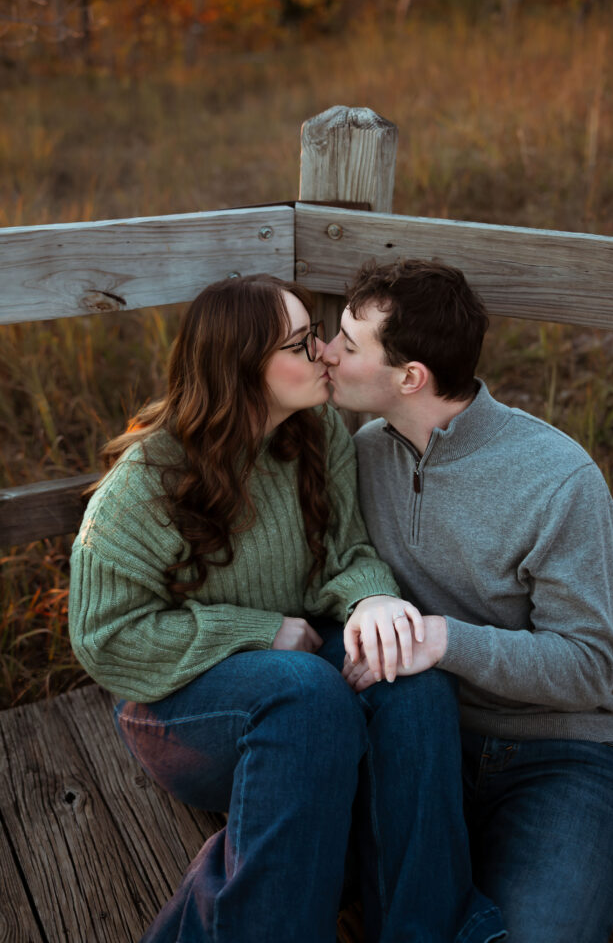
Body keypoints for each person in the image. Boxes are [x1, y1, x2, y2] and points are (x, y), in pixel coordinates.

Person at [68, 273, 505, 943]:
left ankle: (425, 929)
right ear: (242, 368)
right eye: (302, 344)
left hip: (298, 679)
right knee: (305, 694)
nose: (324, 354)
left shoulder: (316, 431)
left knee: (407, 669)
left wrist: (374, 598)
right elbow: (104, 638)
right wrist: (260, 631)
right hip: (179, 708)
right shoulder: (149, 483)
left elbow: (345, 553)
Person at [323, 258, 613, 943]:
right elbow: (340, 566)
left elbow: (586, 669)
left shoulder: (556, 480)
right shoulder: (365, 449)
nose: (327, 353)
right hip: (418, 738)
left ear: (410, 378)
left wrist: (443, 640)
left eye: (347, 344)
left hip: (556, 755)